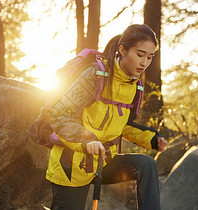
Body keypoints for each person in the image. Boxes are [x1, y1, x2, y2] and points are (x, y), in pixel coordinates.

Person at [45, 24, 168, 210]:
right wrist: (87, 140)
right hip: (71, 166)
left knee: (146, 164)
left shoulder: (134, 86)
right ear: (122, 50)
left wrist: (151, 139)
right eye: (140, 54)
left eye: (150, 57)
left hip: (103, 162)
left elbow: (123, 125)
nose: (144, 62)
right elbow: (60, 116)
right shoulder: (94, 76)